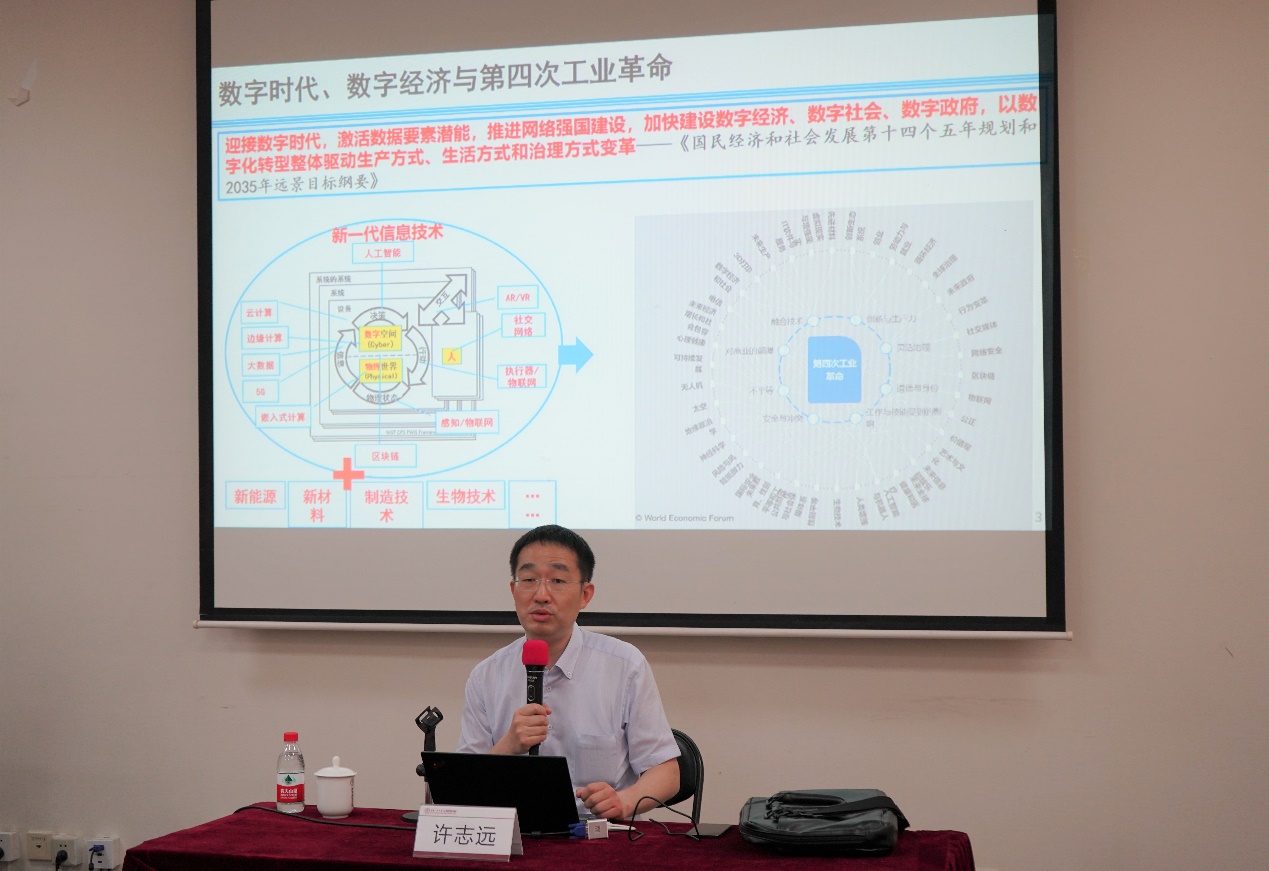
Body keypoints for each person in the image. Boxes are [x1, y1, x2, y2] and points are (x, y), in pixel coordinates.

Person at [456, 525, 680, 820]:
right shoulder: (486, 676)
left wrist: (623, 802)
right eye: (529, 580)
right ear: (513, 590)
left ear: (585, 594)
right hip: (514, 833)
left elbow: (666, 772)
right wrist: (508, 745)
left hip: (597, 834)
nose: (541, 595)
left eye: (558, 580)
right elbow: (463, 786)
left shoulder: (625, 666)